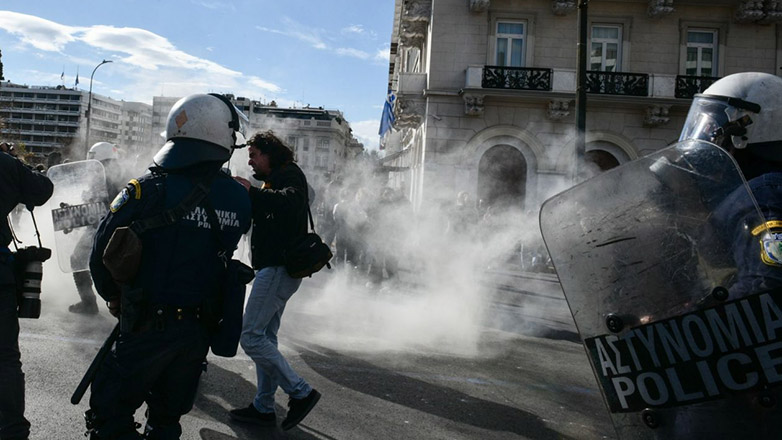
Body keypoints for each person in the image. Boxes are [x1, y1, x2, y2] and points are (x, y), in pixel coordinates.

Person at [84, 93, 251, 439]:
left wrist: (114, 298)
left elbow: (101, 253)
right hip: (196, 332)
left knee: (110, 413)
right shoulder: (238, 197)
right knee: (166, 421)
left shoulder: (146, 190)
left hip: (145, 325)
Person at [230, 131, 321, 431]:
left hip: (277, 269)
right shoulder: (274, 179)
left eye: (255, 155)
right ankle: (263, 406)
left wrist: (251, 192)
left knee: (251, 337)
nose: (251, 161)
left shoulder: (290, 174)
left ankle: (300, 392)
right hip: (274, 268)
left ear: (270, 154)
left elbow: (291, 202)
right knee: (266, 337)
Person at [677, 72, 782, 295]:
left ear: (745, 132)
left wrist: (696, 318)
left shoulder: (761, 197)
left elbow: (763, 287)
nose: (708, 141)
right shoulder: (756, 190)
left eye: (715, 130)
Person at [0, 148, 53, 440]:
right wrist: (18, 166)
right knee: (5, 358)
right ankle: (12, 432)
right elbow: (42, 190)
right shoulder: (4, 163)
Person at [69, 142, 126, 315]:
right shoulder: (115, 174)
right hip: (111, 227)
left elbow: (101, 204)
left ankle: (89, 303)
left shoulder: (106, 176)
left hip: (101, 227)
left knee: (77, 259)